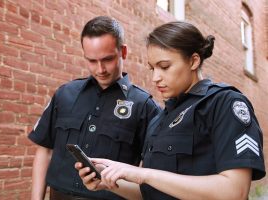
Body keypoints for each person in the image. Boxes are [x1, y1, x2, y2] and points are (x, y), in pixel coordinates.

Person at [76, 21, 266, 200]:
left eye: (164, 67)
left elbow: (235, 191)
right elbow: (149, 192)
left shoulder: (224, 103)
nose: (155, 78)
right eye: (152, 68)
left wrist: (143, 173)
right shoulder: (159, 119)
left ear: (193, 61)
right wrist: (108, 181)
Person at [28, 16, 160, 200]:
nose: (100, 69)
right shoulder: (65, 94)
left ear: (123, 51)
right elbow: (45, 150)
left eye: (107, 59)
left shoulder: (145, 107)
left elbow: (149, 174)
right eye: (91, 61)